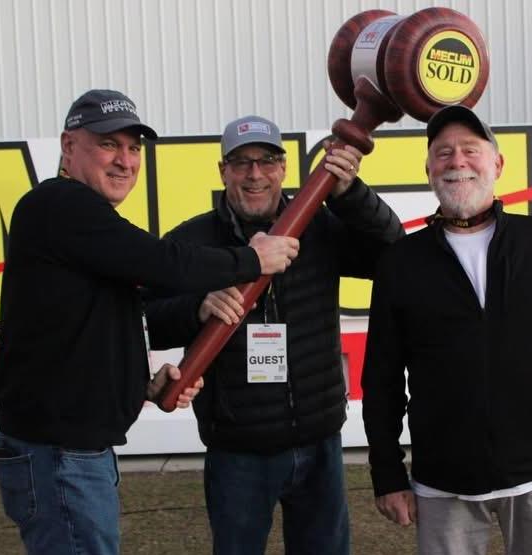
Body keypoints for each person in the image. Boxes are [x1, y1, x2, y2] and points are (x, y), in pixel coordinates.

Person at [0, 91, 299, 555]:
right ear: (69, 146)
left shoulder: (81, 226)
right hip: (58, 456)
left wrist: (143, 385)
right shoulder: (59, 204)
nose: (125, 160)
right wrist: (252, 259)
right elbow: (165, 262)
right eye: (108, 144)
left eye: (133, 148)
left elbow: (98, 327)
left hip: (72, 454)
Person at [145, 115, 404, 554]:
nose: (255, 174)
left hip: (319, 441)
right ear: (223, 171)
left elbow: (394, 254)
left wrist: (350, 194)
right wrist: (198, 306)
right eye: (241, 163)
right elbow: (145, 320)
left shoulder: (318, 226)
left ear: (283, 168)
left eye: (266, 161)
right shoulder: (191, 241)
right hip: (238, 450)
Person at [361, 105, 532, 555]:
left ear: (497, 164)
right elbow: (382, 376)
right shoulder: (401, 261)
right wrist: (387, 472)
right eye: (443, 153)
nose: (456, 161)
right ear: (428, 170)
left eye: (470, 150)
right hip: (442, 481)